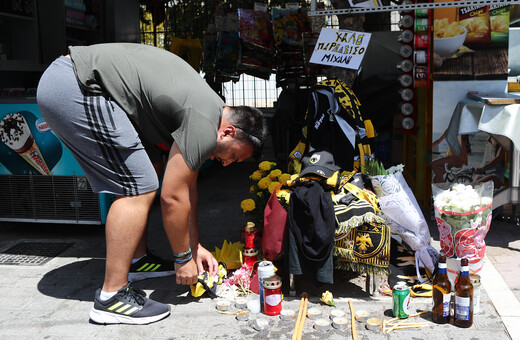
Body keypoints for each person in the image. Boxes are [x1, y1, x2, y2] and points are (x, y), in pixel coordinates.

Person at [36, 43, 267, 325]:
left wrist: (194, 249)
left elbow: (187, 191)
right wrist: (182, 259)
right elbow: (171, 197)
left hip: (76, 82)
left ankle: (136, 260)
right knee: (139, 185)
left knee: (146, 174)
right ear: (228, 131)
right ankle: (111, 297)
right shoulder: (204, 121)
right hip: (75, 84)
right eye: (232, 155)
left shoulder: (207, 111)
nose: (227, 163)